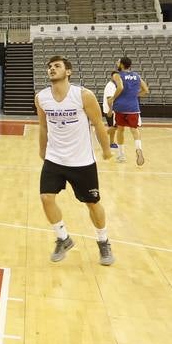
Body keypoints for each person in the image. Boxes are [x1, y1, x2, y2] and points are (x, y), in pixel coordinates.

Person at [36, 54, 115, 266]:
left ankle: (103, 241)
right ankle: (63, 238)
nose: (52, 69)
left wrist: (106, 150)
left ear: (68, 71)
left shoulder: (83, 95)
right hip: (55, 158)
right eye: (50, 66)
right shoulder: (42, 97)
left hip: (82, 161)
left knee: (92, 203)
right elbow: (43, 126)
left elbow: (98, 123)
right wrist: (42, 150)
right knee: (46, 198)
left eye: (57, 66)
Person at [111, 56, 149, 165]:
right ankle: (138, 149)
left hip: (120, 107)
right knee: (134, 129)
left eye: (118, 62)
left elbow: (120, 87)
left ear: (122, 65)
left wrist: (112, 99)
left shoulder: (117, 75)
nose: (116, 63)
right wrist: (134, 95)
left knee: (120, 130)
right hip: (133, 107)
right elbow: (146, 90)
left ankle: (121, 156)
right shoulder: (136, 76)